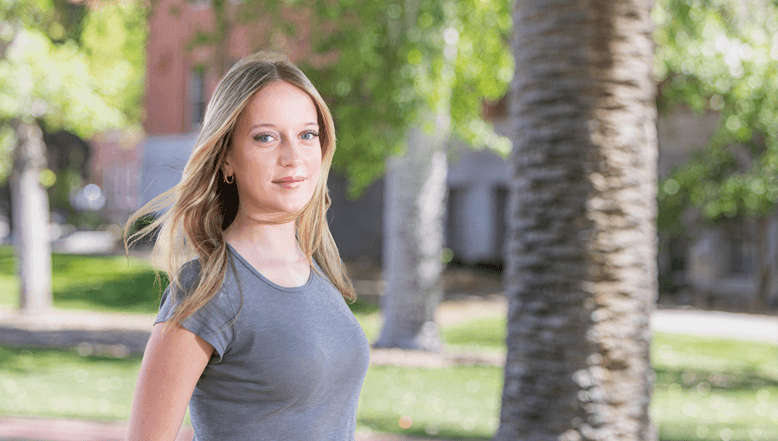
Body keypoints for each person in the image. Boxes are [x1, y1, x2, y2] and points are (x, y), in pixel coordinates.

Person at [124, 51, 370, 440]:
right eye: (266, 137)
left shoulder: (317, 271)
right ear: (226, 159)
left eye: (307, 135)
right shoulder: (207, 289)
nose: (293, 157)